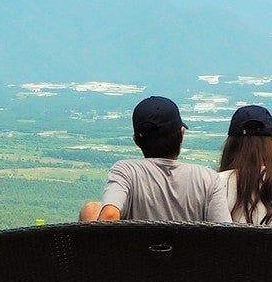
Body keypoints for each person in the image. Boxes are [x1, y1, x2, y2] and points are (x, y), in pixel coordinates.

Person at [79, 95, 231, 223]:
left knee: (91, 209)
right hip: (191, 259)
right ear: (181, 134)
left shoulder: (126, 171)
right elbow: (227, 236)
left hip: (135, 258)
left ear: (136, 141)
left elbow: (110, 215)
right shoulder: (207, 178)